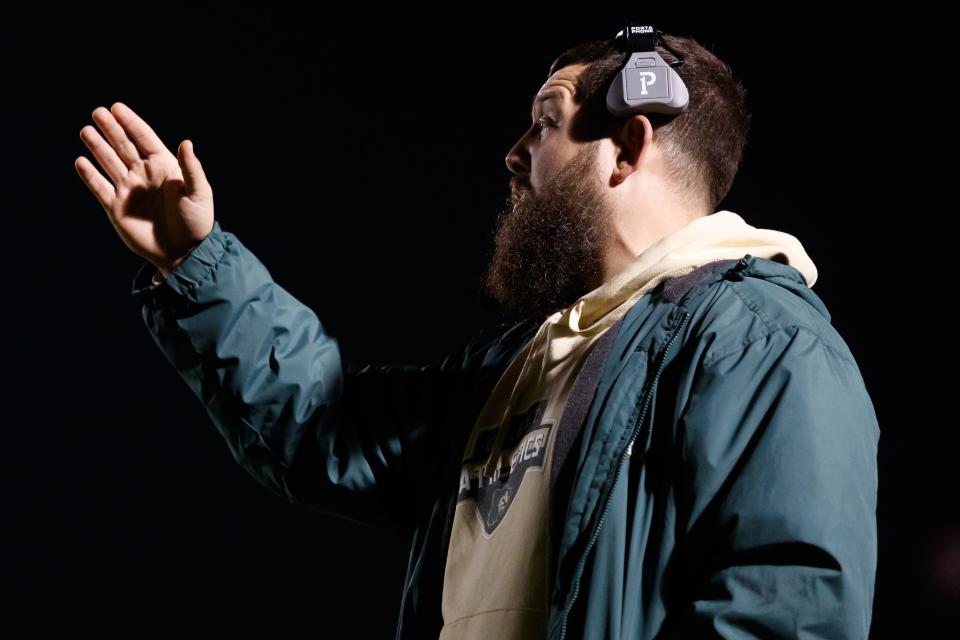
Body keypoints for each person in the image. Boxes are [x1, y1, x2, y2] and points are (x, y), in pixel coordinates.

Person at [75, 30, 880, 640]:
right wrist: (194, 260)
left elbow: (787, 613)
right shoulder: (522, 366)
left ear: (630, 144)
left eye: (546, 121)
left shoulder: (762, 345)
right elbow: (326, 428)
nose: (514, 153)